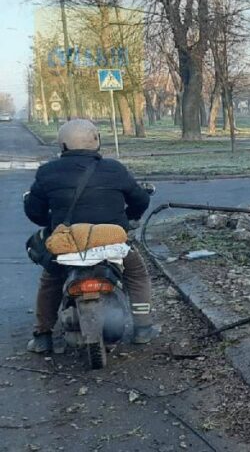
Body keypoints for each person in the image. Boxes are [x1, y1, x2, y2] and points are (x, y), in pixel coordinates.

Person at [23, 119, 158, 353]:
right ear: (97, 141)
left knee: (50, 281)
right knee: (137, 274)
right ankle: (143, 329)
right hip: (112, 240)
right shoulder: (114, 169)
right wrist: (127, 220)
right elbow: (140, 200)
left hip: (67, 243)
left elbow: (34, 211)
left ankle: (42, 335)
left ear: (62, 146)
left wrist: (55, 225)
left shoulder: (47, 172)